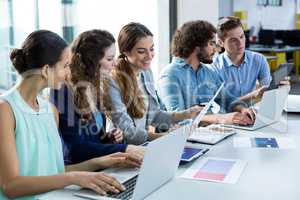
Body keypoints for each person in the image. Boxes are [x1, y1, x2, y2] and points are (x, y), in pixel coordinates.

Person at [0, 30, 127, 199]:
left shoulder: (50, 111)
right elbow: (11, 186)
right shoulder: (5, 110)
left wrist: (104, 161)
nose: (69, 73)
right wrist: (73, 178)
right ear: (46, 70)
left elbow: (55, 172)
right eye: (65, 66)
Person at [51, 29, 144, 165]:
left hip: (100, 167)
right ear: (92, 61)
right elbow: (76, 149)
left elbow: (93, 140)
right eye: (109, 59)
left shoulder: (94, 87)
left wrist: (109, 138)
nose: (114, 64)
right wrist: (125, 148)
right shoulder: (63, 91)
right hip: (80, 173)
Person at [106, 22, 202, 145]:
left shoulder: (146, 73)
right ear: (125, 51)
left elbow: (154, 116)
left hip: (143, 145)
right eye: (141, 51)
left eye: (151, 49)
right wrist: (163, 137)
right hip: (122, 150)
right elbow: (127, 131)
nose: (149, 56)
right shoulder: (113, 81)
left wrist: (187, 113)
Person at [158, 20, 254, 125]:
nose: (216, 49)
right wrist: (219, 118)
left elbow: (227, 99)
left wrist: (242, 109)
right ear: (196, 45)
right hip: (185, 137)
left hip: (211, 133)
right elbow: (178, 120)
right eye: (211, 43)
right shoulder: (170, 75)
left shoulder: (209, 73)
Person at [213, 16, 272, 102]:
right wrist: (253, 95)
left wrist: (279, 89)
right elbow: (222, 104)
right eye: (233, 40)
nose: (240, 43)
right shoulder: (214, 67)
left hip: (252, 111)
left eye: (241, 37)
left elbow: (268, 92)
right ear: (221, 43)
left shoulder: (259, 59)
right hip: (227, 114)